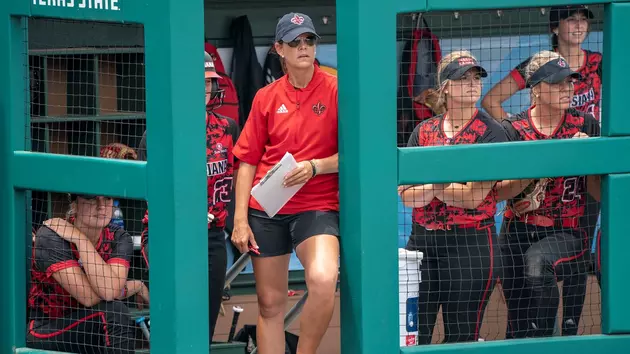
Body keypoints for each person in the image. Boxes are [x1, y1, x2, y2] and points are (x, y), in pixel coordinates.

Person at [231, 12, 339, 354]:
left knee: (323, 279)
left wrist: (314, 167)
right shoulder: (265, 97)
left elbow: (362, 155)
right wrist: (239, 220)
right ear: (279, 48)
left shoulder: (338, 89)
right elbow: (247, 159)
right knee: (269, 304)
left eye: (309, 40)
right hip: (266, 208)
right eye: (295, 42)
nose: (304, 47)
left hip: (317, 205)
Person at [398, 51, 508, 344]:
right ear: (445, 86)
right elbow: (407, 197)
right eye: (463, 78)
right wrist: (443, 183)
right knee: (412, 335)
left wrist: (430, 185)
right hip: (422, 243)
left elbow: (473, 197)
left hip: (470, 245)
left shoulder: (491, 132)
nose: (472, 84)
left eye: (476, 78)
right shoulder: (423, 131)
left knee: (461, 337)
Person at [496, 51, 601, 338]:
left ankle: (547, 343)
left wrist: (588, 161)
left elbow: (599, 193)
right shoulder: (512, 129)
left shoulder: (586, 125)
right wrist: (531, 176)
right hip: (516, 230)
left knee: (538, 265)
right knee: (516, 324)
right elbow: (495, 192)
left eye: (570, 83)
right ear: (536, 89)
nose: (567, 89)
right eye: (557, 83)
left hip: (565, 232)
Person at [136, 51, 240, 341]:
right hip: (168, 234)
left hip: (212, 236)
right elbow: (149, 192)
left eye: (209, 83)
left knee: (204, 325)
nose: (206, 90)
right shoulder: (157, 133)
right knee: (175, 319)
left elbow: (242, 174)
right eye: (200, 82)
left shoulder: (228, 128)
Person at [27, 146, 149, 353]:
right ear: (75, 203)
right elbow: (89, 297)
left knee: (112, 313)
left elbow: (108, 291)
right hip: (47, 329)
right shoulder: (51, 235)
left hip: (91, 325)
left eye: (108, 199)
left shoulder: (119, 237)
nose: (101, 206)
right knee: (115, 312)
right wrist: (129, 288)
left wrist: (80, 240)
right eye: (92, 199)